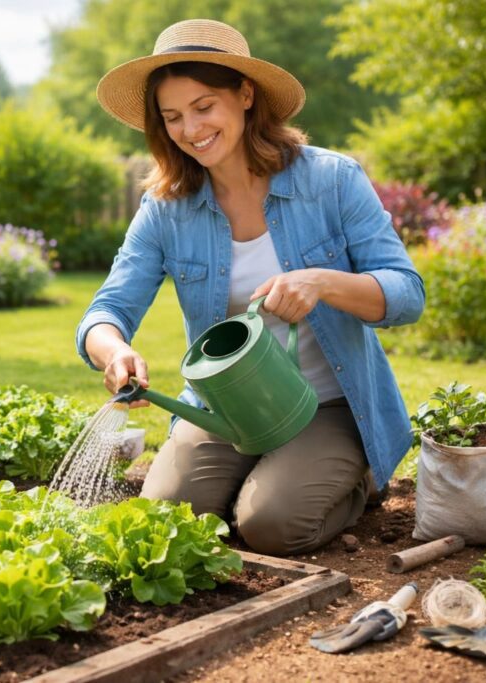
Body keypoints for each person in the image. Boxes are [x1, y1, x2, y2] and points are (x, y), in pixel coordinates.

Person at [75, 19, 425, 556]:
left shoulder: (331, 181)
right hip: (225, 408)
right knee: (167, 519)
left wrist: (321, 283)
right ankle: (274, 473)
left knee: (270, 525)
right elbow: (106, 311)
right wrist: (114, 351)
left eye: (203, 106)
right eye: (172, 117)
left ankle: (360, 482)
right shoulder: (166, 209)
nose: (190, 129)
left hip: (328, 404)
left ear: (245, 95)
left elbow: (406, 293)